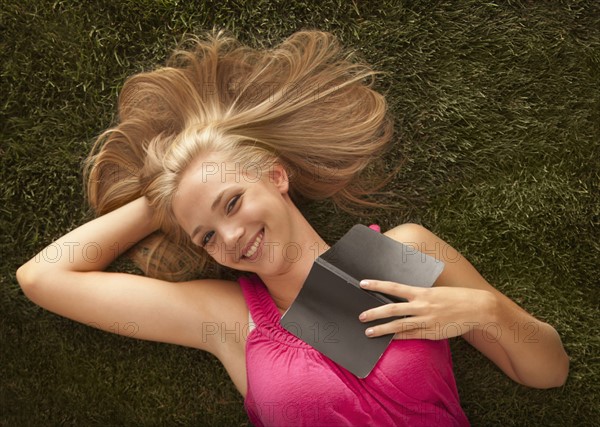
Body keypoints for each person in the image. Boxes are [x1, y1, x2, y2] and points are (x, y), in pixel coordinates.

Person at [16, 30, 569, 426]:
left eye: (232, 202)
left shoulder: (399, 254)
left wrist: (485, 311)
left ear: (276, 176)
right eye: (206, 235)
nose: (229, 237)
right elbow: (43, 278)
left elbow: (549, 374)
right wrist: (168, 191)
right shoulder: (230, 322)